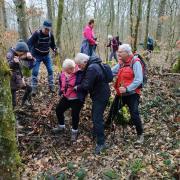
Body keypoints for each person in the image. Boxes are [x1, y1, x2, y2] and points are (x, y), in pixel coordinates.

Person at [105, 44, 144, 144]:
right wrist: (102, 71)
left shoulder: (135, 62)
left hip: (133, 94)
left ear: (127, 52)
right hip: (121, 94)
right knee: (113, 110)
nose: (118, 54)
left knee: (134, 114)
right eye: (118, 52)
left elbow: (139, 79)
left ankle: (140, 135)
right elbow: (111, 72)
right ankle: (106, 126)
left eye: (120, 52)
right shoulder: (121, 63)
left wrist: (127, 89)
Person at [74, 53, 111, 154]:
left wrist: (77, 87)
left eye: (80, 65)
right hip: (101, 94)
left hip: (100, 95)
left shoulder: (91, 68)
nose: (79, 67)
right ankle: (96, 134)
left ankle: (101, 143)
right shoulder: (95, 64)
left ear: (85, 62)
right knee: (95, 115)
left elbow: (86, 85)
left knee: (97, 118)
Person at [53, 59, 87, 142]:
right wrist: (61, 91)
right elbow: (61, 83)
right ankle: (61, 126)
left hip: (76, 99)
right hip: (66, 97)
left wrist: (78, 87)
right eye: (64, 70)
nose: (65, 71)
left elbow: (85, 85)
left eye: (67, 70)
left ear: (72, 68)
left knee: (75, 115)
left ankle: (74, 132)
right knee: (58, 110)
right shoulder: (63, 74)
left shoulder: (80, 74)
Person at [27, 20, 57, 95]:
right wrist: (28, 52)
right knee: (35, 71)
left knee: (50, 70)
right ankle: (34, 87)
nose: (47, 30)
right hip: (36, 55)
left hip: (46, 55)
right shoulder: (36, 34)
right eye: (46, 29)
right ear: (43, 27)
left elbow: (53, 45)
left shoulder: (50, 35)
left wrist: (55, 49)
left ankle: (51, 85)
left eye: (48, 29)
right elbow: (29, 43)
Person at [6, 40, 35, 108]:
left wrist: (31, 58)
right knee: (13, 101)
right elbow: (6, 66)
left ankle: (24, 102)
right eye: (24, 52)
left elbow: (31, 60)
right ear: (20, 51)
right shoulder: (10, 54)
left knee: (29, 89)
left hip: (18, 79)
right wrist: (13, 61)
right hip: (11, 81)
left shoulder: (18, 54)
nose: (24, 54)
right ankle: (12, 114)